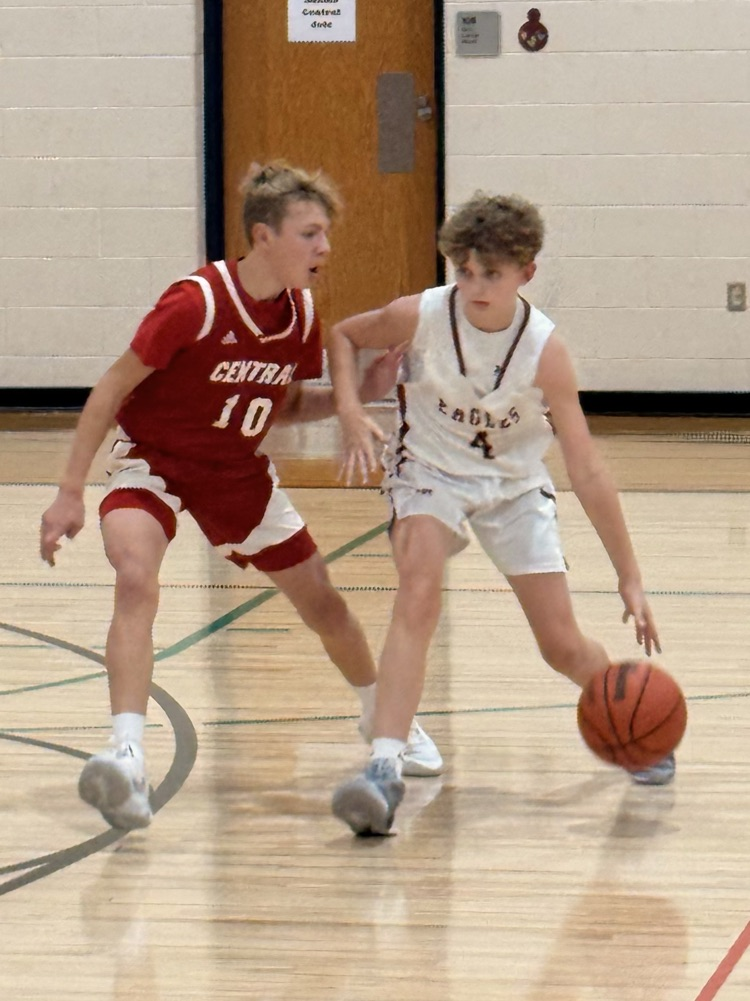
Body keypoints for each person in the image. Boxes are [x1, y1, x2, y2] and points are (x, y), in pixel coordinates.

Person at [39, 161, 442, 831]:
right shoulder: (194, 302)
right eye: (310, 234)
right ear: (263, 236)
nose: (325, 247)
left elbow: (283, 407)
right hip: (154, 462)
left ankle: (384, 716)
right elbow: (111, 387)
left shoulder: (300, 314)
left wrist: (364, 390)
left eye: (326, 234)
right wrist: (69, 491)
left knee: (324, 603)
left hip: (235, 472)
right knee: (135, 578)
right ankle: (126, 755)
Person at [327, 191, 669, 837]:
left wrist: (629, 574)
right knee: (417, 590)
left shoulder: (545, 351)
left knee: (560, 644)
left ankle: (633, 722)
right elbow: (343, 335)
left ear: (525, 272)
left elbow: (587, 469)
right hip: (428, 474)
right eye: (465, 271)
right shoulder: (421, 314)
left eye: (492, 273)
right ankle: (383, 767)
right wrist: (349, 409)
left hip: (513, 486)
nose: (476, 286)